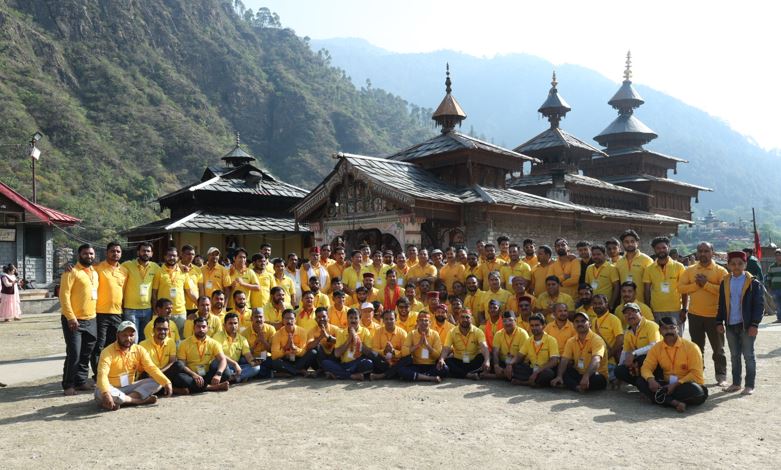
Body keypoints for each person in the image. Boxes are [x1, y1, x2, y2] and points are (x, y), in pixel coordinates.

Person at [678, 241, 729, 385]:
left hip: (715, 316)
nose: (703, 254)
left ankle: (721, 375)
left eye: (706, 251)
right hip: (695, 315)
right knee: (696, 348)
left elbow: (724, 291)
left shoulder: (720, 271)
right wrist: (696, 285)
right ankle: (698, 373)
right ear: (696, 253)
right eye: (700, 251)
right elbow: (680, 288)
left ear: (712, 252)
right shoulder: (690, 270)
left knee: (718, 349)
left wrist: (706, 285)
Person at [94, 321, 172, 411]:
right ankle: (138, 401)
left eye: (131, 335)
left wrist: (167, 382)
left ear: (135, 336)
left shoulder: (139, 349)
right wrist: (106, 393)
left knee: (158, 382)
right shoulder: (107, 352)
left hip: (129, 388)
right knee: (100, 392)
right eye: (124, 335)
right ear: (117, 335)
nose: (128, 338)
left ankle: (122, 401)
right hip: (111, 388)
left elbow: (151, 368)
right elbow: (102, 374)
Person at [717, 251, 764, 395]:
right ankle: (736, 383)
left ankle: (749, 385)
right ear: (728, 265)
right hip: (730, 324)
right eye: (733, 264)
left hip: (747, 325)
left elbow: (759, 305)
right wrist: (719, 321)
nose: (736, 266)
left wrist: (754, 324)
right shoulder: (725, 282)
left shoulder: (753, 283)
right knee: (734, 355)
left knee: (748, 355)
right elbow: (721, 304)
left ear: (745, 264)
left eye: (740, 263)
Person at [637, 317, 708, 412]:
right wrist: (651, 380)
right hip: (666, 385)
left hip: (685, 385)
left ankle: (660, 398)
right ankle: (674, 403)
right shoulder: (656, 348)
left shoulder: (691, 347)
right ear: (660, 331)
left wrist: (675, 385)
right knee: (641, 381)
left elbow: (696, 374)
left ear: (677, 329)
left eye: (671, 328)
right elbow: (646, 367)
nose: (669, 331)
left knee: (697, 391)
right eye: (665, 328)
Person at [59, 244, 99, 396]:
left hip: (91, 319)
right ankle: (68, 385)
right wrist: (71, 317)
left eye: (91, 254)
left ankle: (81, 381)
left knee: (86, 353)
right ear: (79, 255)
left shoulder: (94, 272)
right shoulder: (71, 272)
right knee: (74, 353)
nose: (89, 256)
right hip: (74, 320)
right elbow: (64, 296)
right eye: (85, 254)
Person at [91, 242, 128, 376]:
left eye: (118, 251)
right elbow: (82, 269)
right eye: (112, 251)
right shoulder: (97, 268)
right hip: (100, 313)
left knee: (114, 346)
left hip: (117, 313)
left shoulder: (124, 271)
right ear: (107, 252)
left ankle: (111, 373)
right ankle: (98, 375)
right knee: (99, 346)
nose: (115, 253)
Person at [550, 311, 608, 392]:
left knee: (596, 379)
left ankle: (574, 385)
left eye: (583, 321)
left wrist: (586, 376)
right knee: (562, 370)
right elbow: (564, 360)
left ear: (590, 324)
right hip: (579, 373)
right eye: (577, 321)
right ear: (573, 325)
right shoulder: (571, 341)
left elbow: (596, 360)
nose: (580, 323)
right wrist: (559, 376)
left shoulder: (596, 340)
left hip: (595, 374)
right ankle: (577, 386)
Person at [173, 316, 230, 393]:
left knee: (225, 372)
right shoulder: (184, 344)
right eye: (198, 327)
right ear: (194, 328)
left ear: (207, 328)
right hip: (192, 376)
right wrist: (194, 375)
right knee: (179, 378)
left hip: (207, 374)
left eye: (203, 327)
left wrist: (218, 374)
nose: (201, 329)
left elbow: (223, 359)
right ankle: (212, 387)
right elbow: (182, 365)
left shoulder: (213, 343)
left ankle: (197, 388)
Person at [643, 237, 687, 335]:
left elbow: (684, 290)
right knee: (659, 339)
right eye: (658, 248)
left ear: (669, 248)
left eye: (664, 247)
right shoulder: (649, 269)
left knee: (677, 338)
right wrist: (648, 309)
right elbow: (646, 291)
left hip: (676, 310)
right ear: (654, 250)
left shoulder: (679, 267)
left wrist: (684, 309)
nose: (661, 250)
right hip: (656, 310)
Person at [152, 247, 197, 335]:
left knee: (180, 339)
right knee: (163, 337)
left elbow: (190, 292)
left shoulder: (183, 272)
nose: (172, 258)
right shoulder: (159, 272)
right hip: (163, 313)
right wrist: (156, 311)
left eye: (174, 256)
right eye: (169, 255)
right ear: (165, 257)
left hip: (180, 313)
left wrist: (200, 304)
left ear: (178, 258)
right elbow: (154, 294)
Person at [121, 242, 160, 342]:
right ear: (138, 252)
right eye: (143, 251)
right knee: (133, 339)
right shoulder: (127, 265)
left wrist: (181, 267)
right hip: (131, 310)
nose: (145, 253)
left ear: (151, 254)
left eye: (148, 251)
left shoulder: (155, 267)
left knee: (145, 339)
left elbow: (168, 271)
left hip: (147, 309)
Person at [320, 308, 374, 380]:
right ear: (347, 319)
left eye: (355, 318)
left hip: (357, 363)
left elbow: (369, 352)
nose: (353, 320)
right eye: (351, 318)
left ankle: (340, 374)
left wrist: (357, 340)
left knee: (369, 363)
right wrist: (349, 339)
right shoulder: (341, 332)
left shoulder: (365, 331)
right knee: (325, 363)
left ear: (359, 320)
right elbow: (337, 354)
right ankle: (352, 376)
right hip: (344, 364)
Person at [614, 303, 660, 387]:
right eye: (626, 313)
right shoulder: (628, 332)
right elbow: (625, 352)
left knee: (641, 360)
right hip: (641, 360)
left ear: (641, 314)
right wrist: (619, 373)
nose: (630, 315)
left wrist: (634, 353)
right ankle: (642, 386)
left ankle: (648, 385)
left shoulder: (650, 325)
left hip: (657, 361)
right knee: (618, 370)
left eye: (633, 312)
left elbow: (654, 346)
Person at [510, 313, 559, 387]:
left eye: (537, 325)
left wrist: (537, 371)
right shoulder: (529, 340)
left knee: (548, 374)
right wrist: (510, 365)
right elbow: (519, 356)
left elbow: (554, 361)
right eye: (532, 325)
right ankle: (533, 382)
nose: (534, 328)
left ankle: (525, 382)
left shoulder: (551, 340)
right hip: (532, 369)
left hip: (543, 370)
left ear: (543, 326)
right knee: (514, 366)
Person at [438, 310, 491, 379]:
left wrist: (487, 360)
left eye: (467, 317)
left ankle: (461, 374)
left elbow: (484, 346)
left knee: (484, 357)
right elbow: (446, 348)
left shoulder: (478, 331)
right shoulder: (452, 332)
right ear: (458, 319)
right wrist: (441, 359)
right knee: (447, 361)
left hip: (473, 361)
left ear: (471, 319)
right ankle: (469, 375)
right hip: (459, 361)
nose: (465, 319)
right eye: (462, 317)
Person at [398, 312, 447, 382]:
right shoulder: (412, 334)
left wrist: (427, 345)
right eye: (421, 320)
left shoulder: (435, 334)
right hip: (417, 365)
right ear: (417, 322)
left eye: (426, 320)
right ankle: (429, 377)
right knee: (400, 369)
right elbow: (404, 352)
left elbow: (438, 355)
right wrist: (418, 345)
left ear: (430, 323)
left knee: (445, 369)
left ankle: (418, 376)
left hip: (431, 365)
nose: (423, 322)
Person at [213, 313, 262, 383]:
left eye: (235, 323)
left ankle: (233, 377)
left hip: (235, 367)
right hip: (221, 365)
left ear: (238, 325)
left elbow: (248, 356)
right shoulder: (218, 336)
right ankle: (235, 377)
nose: (233, 326)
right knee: (215, 363)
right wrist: (234, 364)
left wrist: (254, 362)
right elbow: (218, 355)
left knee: (256, 368)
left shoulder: (242, 339)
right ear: (224, 325)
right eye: (230, 323)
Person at [590, 294, 623, 383]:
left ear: (606, 304)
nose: (597, 306)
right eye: (595, 303)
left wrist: (608, 356)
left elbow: (620, 341)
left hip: (609, 362)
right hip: (596, 360)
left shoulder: (614, 319)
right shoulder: (594, 321)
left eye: (600, 303)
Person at [139, 316, 182, 385]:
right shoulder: (143, 345)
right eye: (159, 329)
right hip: (150, 374)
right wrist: (156, 374)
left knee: (179, 366)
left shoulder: (170, 342)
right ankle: (172, 388)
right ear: (153, 330)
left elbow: (172, 362)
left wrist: (160, 373)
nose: (162, 332)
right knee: (144, 375)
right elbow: (144, 367)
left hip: (165, 371)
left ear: (168, 330)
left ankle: (161, 387)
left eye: (165, 329)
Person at [269, 309, 313, 376]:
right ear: (283, 321)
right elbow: (274, 356)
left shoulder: (302, 331)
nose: (289, 321)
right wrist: (286, 347)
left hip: (299, 360)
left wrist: (294, 348)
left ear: (295, 320)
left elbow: (303, 352)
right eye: (287, 318)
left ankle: (289, 371)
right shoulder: (277, 334)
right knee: (274, 362)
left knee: (313, 353)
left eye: (291, 318)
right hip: (286, 360)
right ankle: (299, 371)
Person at [615, 229, 653, 304]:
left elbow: (651, 285)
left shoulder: (647, 260)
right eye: (626, 242)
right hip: (624, 303)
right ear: (622, 244)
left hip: (642, 303)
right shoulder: (619, 262)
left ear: (637, 243)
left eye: (632, 241)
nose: (630, 244)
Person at [368, 309, 408, 380]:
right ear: (383, 320)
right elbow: (374, 349)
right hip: (383, 362)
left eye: (391, 319)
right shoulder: (378, 332)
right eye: (386, 319)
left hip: (397, 361)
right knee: (372, 354)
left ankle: (382, 375)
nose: (389, 321)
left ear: (396, 320)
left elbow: (405, 352)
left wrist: (394, 351)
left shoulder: (402, 333)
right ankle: (394, 373)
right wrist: (384, 351)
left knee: (408, 359)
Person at [491, 311, 529, 380]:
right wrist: (496, 366)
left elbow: (522, 355)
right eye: (504, 321)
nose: (507, 323)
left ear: (515, 321)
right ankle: (507, 375)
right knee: (490, 361)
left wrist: (510, 365)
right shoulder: (498, 334)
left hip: (517, 363)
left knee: (525, 369)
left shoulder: (522, 333)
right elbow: (495, 352)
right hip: (503, 362)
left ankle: (494, 376)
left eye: (510, 320)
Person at [302, 307, 339, 372]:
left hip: (333, 358)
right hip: (319, 360)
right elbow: (309, 347)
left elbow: (342, 342)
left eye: (324, 316)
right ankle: (323, 369)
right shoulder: (312, 331)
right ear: (316, 319)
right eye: (319, 317)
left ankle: (323, 370)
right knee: (315, 348)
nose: (321, 319)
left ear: (328, 317)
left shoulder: (335, 329)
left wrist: (328, 337)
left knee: (338, 346)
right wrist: (320, 338)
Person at [766, 249, 781, 323]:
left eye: (779, 255)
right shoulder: (772, 266)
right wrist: (769, 287)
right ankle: (779, 318)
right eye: (776, 255)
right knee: (777, 304)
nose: (778, 257)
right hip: (775, 288)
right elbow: (769, 277)